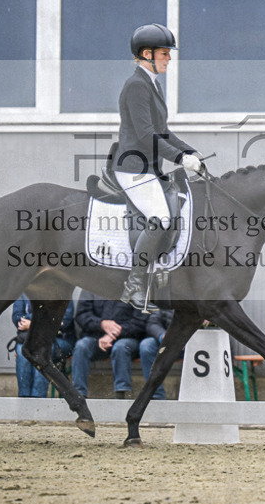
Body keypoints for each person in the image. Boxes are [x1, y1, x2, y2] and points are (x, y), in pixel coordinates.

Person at [114, 23, 206, 313]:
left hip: (148, 167)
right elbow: (145, 136)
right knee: (160, 218)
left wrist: (188, 151)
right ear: (146, 53)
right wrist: (179, 160)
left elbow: (163, 131)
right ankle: (135, 285)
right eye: (164, 53)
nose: (169, 59)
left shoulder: (152, 84)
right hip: (133, 167)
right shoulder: (136, 85)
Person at [71, 289, 147, 399]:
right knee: (81, 346)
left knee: (121, 347)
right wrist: (101, 324)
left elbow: (140, 322)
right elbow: (82, 315)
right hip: (97, 338)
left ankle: (121, 394)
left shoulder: (137, 286)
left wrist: (114, 333)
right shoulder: (91, 284)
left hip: (128, 338)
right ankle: (78, 395)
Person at [10, 294, 76, 398]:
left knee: (42, 351)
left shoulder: (63, 292)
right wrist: (47, 317)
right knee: (22, 349)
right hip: (30, 339)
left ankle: (39, 398)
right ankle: (24, 397)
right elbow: (17, 318)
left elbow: (65, 321)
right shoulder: (23, 293)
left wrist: (32, 323)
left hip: (59, 340)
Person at [139, 308, 174, 400]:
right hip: (166, 344)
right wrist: (163, 336)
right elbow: (153, 323)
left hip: (193, 344)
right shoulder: (166, 298)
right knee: (146, 346)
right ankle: (156, 395)